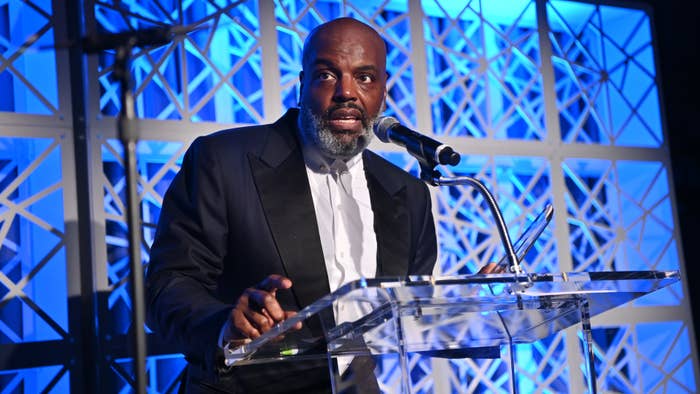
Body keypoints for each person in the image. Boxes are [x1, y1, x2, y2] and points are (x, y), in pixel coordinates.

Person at [146, 17, 439, 393]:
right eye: (327, 75)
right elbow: (168, 287)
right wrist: (225, 325)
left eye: (365, 77)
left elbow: (410, 316)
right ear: (302, 85)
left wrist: (481, 303)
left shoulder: (406, 192)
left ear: (383, 91)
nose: (347, 92)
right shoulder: (222, 161)